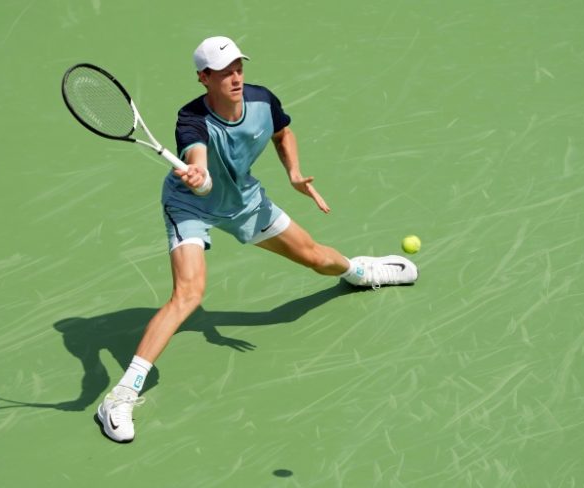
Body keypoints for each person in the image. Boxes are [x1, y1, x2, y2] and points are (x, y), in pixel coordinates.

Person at [95, 36, 418, 443]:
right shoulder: (190, 119)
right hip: (190, 207)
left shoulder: (262, 100)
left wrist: (295, 174)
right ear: (203, 77)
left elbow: (283, 133)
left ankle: (358, 270)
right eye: (224, 71)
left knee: (318, 259)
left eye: (238, 68)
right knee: (188, 295)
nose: (235, 77)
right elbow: (198, 160)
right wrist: (199, 177)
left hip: (244, 202)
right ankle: (119, 397)